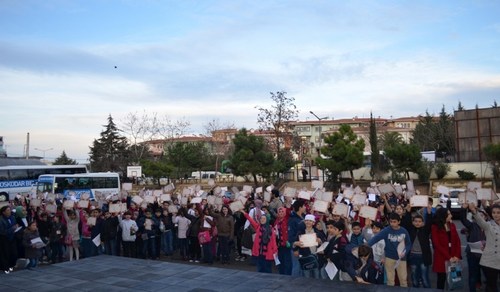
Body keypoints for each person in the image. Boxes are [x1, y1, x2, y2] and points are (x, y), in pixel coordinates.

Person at [368, 213, 411, 287]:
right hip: (389, 258)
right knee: (390, 280)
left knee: (403, 280)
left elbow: (408, 244)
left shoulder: (404, 231)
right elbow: (376, 238)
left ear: (399, 222)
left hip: (401, 258)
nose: (392, 224)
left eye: (394, 222)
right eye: (391, 222)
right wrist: (366, 246)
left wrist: (405, 252)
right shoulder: (386, 230)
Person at [469, 203, 500, 292]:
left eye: (498, 212)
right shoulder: (489, 225)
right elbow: (480, 221)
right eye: (494, 212)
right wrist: (474, 211)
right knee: (491, 286)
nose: (496, 215)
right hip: (489, 261)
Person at [402, 204, 433, 289]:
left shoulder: (425, 230)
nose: (417, 223)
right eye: (415, 221)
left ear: (423, 223)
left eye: (419, 221)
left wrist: (429, 212)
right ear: (413, 222)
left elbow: (430, 223)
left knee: (424, 278)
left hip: (424, 257)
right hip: (413, 256)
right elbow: (406, 222)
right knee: (414, 277)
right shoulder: (410, 230)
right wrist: (408, 211)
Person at [431, 207, 461, 290]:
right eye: (449, 214)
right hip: (442, 259)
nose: (451, 215)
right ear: (443, 216)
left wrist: (457, 255)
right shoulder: (435, 227)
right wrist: (449, 257)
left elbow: (458, 241)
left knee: (454, 281)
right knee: (441, 280)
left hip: (454, 258)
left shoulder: (452, 225)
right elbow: (437, 245)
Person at [242, 207, 277, 273]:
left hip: (267, 252)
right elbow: (251, 220)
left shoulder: (271, 229)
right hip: (259, 253)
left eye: (264, 219)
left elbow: (273, 241)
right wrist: (244, 213)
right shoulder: (258, 227)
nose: (262, 220)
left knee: (267, 269)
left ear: (267, 220)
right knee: (260, 268)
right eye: (261, 218)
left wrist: (275, 251)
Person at [460, 203, 487, 292]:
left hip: (486, 256)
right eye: (478, 215)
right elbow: (463, 219)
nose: (480, 217)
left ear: (486, 217)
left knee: (488, 276)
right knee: (472, 276)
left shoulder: (489, 227)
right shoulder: (472, 226)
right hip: (472, 255)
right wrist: (463, 209)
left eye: (482, 215)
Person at [294, 214, 325, 279]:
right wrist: (295, 246)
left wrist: (320, 241)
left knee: (316, 275)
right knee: (306, 276)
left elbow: (324, 241)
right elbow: (295, 242)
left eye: (310, 221)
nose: (308, 222)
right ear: (304, 222)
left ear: (313, 223)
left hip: (315, 257)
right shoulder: (301, 232)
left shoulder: (317, 232)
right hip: (305, 257)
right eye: (307, 220)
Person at [289, 199, 306, 276]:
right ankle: (294, 284)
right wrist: (295, 248)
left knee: (301, 267)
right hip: (296, 247)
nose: (305, 207)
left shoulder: (303, 217)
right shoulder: (293, 220)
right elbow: (291, 235)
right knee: (296, 266)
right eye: (304, 206)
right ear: (300, 208)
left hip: (303, 246)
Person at [273, 207, 291, 275]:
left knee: (287, 261)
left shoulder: (287, 220)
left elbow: (289, 212)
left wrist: (288, 205)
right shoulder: (276, 221)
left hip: (286, 244)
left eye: (282, 211)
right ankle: (282, 274)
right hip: (279, 244)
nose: (280, 213)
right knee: (281, 261)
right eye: (279, 212)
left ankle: (287, 275)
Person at [0, 205, 18, 274]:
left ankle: (11, 265)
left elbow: (15, 225)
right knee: (5, 253)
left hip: (12, 238)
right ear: (3, 212)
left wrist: (16, 228)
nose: (9, 211)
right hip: (4, 239)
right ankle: (6, 267)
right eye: (7, 210)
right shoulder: (1, 220)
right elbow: (2, 231)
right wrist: (12, 229)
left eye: (9, 210)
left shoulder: (12, 217)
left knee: (14, 253)